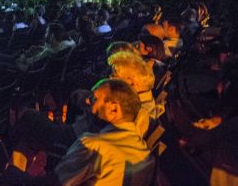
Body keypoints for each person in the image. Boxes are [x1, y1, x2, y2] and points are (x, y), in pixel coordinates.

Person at [9, 79, 151, 185]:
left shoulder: (93, 146)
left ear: (114, 110)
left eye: (94, 99)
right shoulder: (143, 150)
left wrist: (11, 173)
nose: (88, 102)